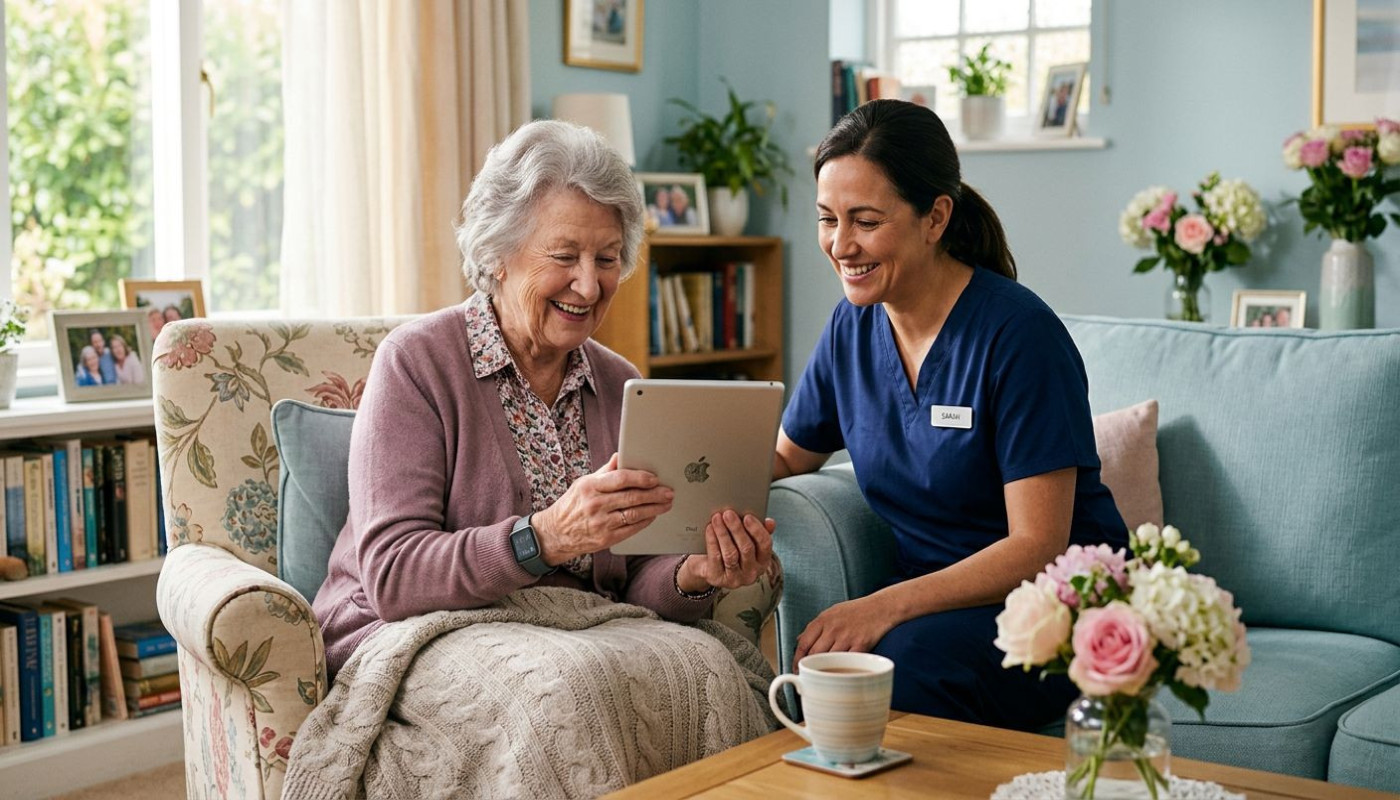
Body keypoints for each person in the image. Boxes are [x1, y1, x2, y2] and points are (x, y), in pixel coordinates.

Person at [313, 118, 775, 679]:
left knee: (713, 671)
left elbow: (632, 581)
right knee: (564, 687)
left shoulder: (620, 383)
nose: (589, 285)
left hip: (574, 635)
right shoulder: (415, 363)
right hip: (417, 631)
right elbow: (394, 576)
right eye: (564, 255)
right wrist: (547, 536)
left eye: (607, 259)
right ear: (497, 255)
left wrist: (693, 572)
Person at [774, 99, 1127, 732]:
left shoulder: (1020, 335)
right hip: (936, 608)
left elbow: (1036, 546)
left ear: (935, 217)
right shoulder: (851, 328)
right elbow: (783, 458)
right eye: (827, 219)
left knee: (896, 670)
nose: (841, 245)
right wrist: (675, 474)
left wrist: (884, 606)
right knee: (828, 675)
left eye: (866, 221)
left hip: (1056, 606)